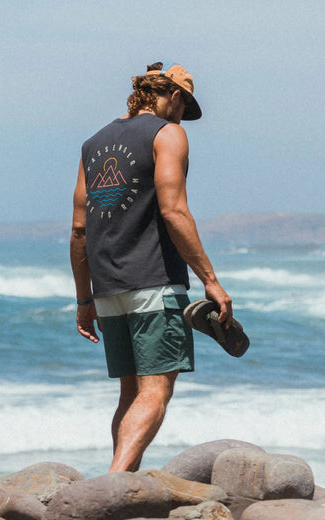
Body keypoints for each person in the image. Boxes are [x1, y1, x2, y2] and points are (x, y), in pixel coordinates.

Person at [70, 61, 232, 473]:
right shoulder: (167, 134)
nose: (182, 120)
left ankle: (117, 488)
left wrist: (84, 300)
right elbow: (174, 210)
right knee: (156, 391)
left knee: (131, 395)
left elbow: (79, 230)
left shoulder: (93, 144)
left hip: (108, 289)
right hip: (154, 283)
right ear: (174, 97)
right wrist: (211, 281)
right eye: (184, 109)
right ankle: (114, 482)